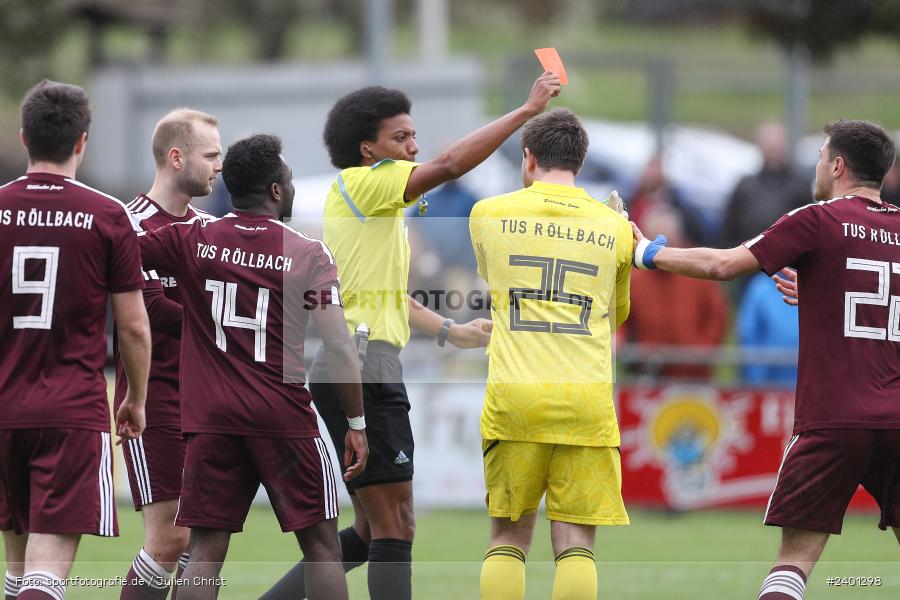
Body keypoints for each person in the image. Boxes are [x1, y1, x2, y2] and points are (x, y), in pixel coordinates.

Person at [262, 71, 561, 600]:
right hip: (362, 363)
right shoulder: (364, 182)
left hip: (355, 360)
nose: (414, 146)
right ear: (366, 148)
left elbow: (387, 297)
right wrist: (526, 112)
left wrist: (450, 330)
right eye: (401, 137)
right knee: (397, 525)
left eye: (413, 135)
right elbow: (448, 165)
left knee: (372, 530)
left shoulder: (370, 202)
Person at [631, 119, 900, 600]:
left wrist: (646, 252)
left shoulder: (818, 219)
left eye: (821, 155)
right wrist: (827, 293)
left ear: (838, 165)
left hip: (833, 419)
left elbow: (721, 265)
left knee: (793, 563)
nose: (817, 164)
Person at [138, 134, 368, 600]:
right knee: (323, 546)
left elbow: (121, 249)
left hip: (210, 421)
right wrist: (356, 423)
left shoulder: (193, 237)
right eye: (289, 178)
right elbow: (340, 346)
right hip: (282, 417)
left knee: (204, 550)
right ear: (277, 190)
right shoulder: (307, 253)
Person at [469, 108, 633, 600]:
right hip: (585, 401)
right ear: (579, 163)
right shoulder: (616, 228)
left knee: (507, 539)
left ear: (528, 158)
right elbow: (616, 315)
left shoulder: (487, 214)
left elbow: (494, 283)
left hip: (515, 397)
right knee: (576, 544)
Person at [0, 80, 151, 600]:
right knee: (46, 578)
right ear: (82, 142)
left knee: (17, 573)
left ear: (24, 138)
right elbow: (132, 325)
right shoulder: (107, 216)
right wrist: (136, 398)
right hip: (69, 411)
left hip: (3, 408)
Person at [115, 108, 222, 600]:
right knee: (168, 540)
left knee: (202, 543)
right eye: (211, 155)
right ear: (176, 158)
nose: (219, 165)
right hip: (153, 397)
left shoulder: (210, 227)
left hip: (208, 402)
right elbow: (153, 310)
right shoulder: (128, 225)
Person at [621, 205, 728, 379]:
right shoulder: (635, 279)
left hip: (694, 374)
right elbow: (621, 320)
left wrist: (702, 353)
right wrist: (628, 348)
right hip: (648, 373)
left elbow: (717, 316)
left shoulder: (698, 269)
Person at [721, 122, 811, 251]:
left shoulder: (800, 186)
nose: (773, 149)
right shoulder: (745, 185)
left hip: (787, 263)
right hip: (747, 262)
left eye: (777, 145)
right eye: (769, 145)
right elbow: (729, 228)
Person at [736, 271, 799, 386]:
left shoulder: (817, 281)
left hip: (809, 380)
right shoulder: (760, 287)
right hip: (769, 382)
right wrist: (757, 379)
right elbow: (748, 335)